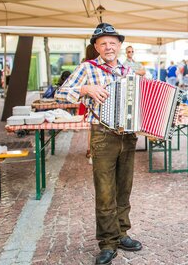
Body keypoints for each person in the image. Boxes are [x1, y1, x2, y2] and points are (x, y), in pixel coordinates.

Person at [55, 23, 142, 265]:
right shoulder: (87, 68)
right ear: (96, 47)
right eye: (103, 43)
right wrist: (85, 88)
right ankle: (107, 242)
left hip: (129, 136)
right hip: (103, 135)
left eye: (112, 42)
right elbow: (60, 94)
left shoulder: (129, 70)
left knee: (124, 189)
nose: (108, 46)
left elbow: (141, 103)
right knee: (105, 193)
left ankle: (122, 233)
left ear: (120, 45)